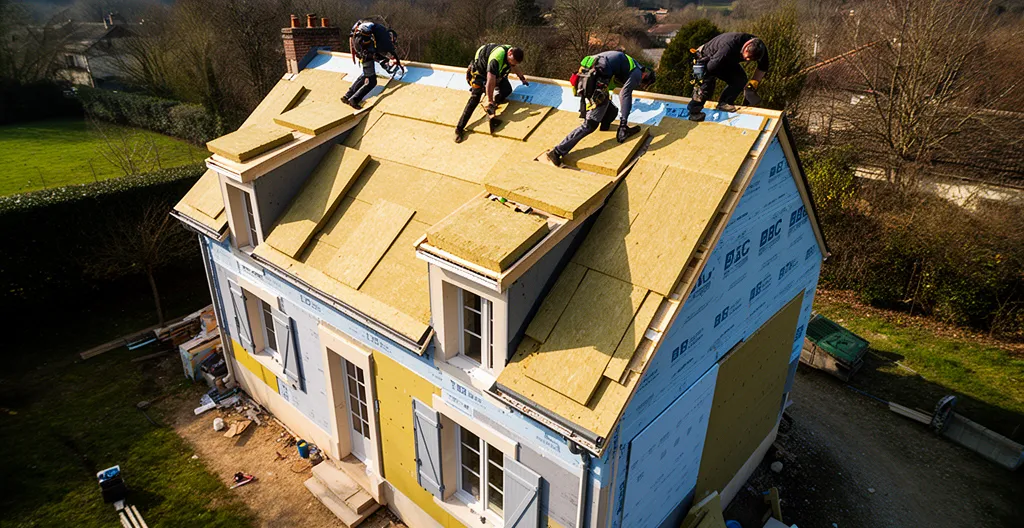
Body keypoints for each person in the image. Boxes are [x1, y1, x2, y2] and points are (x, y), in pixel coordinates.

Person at [543, 51, 655, 167]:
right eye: (642, 83)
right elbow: (625, 94)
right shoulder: (636, 72)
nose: (639, 84)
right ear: (644, 76)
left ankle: (604, 125)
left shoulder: (627, 62)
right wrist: (623, 123)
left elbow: (610, 82)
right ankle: (557, 152)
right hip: (597, 79)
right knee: (589, 125)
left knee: (612, 111)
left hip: (588, 73)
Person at [687, 32, 769, 122]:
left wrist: (754, 82)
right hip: (707, 58)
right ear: (745, 48)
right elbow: (711, 68)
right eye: (746, 58)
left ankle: (724, 103)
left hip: (727, 59)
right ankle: (694, 112)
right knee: (705, 86)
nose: (747, 60)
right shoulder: (728, 46)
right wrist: (706, 82)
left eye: (750, 60)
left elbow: (763, 68)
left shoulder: (761, 49)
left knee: (740, 80)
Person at [454, 44, 528, 143]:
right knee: (475, 99)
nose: (512, 65)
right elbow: (490, 80)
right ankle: (459, 128)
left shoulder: (511, 54)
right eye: (511, 62)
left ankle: (494, 100)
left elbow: (514, 67)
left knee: (507, 90)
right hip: (480, 71)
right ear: (509, 53)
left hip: (496, 73)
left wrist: (521, 78)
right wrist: (490, 101)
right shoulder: (496, 59)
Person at [342, 20, 402, 109]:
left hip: (361, 49)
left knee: (365, 75)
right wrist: (390, 59)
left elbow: (376, 52)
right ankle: (354, 100)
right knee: (372, 81)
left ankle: (347, 96)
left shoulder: (377, 32)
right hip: (365, 53)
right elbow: (378, 52)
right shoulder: (383, 38)